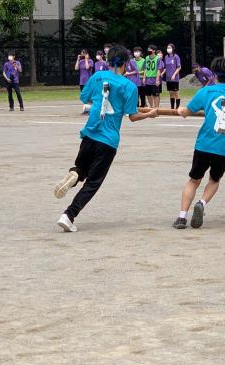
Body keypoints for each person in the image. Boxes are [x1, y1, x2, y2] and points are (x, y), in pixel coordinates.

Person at [53, 45, 158, 233]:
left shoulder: (96, 77)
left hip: (90, 133)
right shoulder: (129, 86)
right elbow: (132, 115)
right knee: (94, 182)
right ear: (126, 63)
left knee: (82, 169)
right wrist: (150, 114)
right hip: (108, 140)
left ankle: (75, 173)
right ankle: (68, 215)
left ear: (108, 61)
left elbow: (85, 98)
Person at [174, 57, 225, 229]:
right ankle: (202, 203)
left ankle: (181, 217)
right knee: (214, 179)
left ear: (215, 74)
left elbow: (187, 111)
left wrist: (180, 110)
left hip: (204, 144)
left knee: (194, 179)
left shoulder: (206, 92)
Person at [164, 44, 183, 110]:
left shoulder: (176, 57)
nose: (168, 49)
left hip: (174, 79)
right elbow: (165, 67)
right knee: (171, 93)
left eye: (170, 47)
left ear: (173, 48)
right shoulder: (166, 57)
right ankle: (172, 108)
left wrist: (174, 74)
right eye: (167, 47)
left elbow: (179, 67)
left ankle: (177, 108)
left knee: (176, 93)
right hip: (168, 78)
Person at [76, 49, 94, 114]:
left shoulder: (90, 61)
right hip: (82, 81)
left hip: (88, 81)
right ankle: (86, 109)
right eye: (82, 54)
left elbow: (87, 67)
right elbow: (76, 68)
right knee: (84, 95)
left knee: (89, 96)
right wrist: (78, 59)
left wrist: (86, 60)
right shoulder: (81, 61)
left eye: (84, 54)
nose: (83, 55)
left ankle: (90, 109)